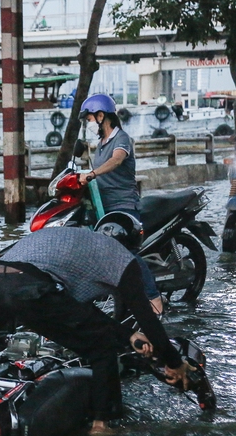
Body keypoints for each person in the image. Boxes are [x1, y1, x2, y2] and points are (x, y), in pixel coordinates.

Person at [0, 226, 216, 436]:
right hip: (32, 288)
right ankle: (102, 424)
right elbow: (147, 319)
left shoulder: (81, 245)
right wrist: (173, 362)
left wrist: (129, 337)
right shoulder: (126, 263)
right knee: (101, 348)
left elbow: (82, 315)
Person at [76, 92, 163, 314]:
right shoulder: (101, 143)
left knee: (124, 252)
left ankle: (154, 297)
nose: (89, 123)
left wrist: (92, 173)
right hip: (104, 207)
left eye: (89, 119)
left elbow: (116, 160)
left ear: (101, 116)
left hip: (123, 206)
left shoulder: (120, 139)